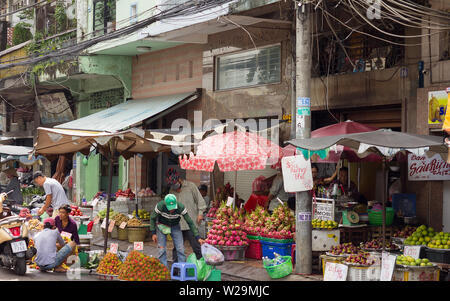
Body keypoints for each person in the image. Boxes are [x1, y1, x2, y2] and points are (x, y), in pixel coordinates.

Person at [150, 194, 204, 267]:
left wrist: (197, 237)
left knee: (180, 248)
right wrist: (153, 233)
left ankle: (182, 268)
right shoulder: (160, 206)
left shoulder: (181, 207)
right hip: (162, 226)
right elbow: (152, 218)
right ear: (165, 204)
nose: (171, 210)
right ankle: (164, 269)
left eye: (173, 208)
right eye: (170, 208)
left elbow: (190, 222)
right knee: (161, 249)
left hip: (175, 226)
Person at [169, 171, 207, 261]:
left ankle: (202, 266)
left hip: (191, 223)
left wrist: (200, 213)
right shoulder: (171, 191)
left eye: (176, 185)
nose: (176, 188)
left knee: (196, 246)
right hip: (177, 224)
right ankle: (177, 268)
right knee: (177, 248)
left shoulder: (191, 186)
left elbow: (200, 201)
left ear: (179, 180)